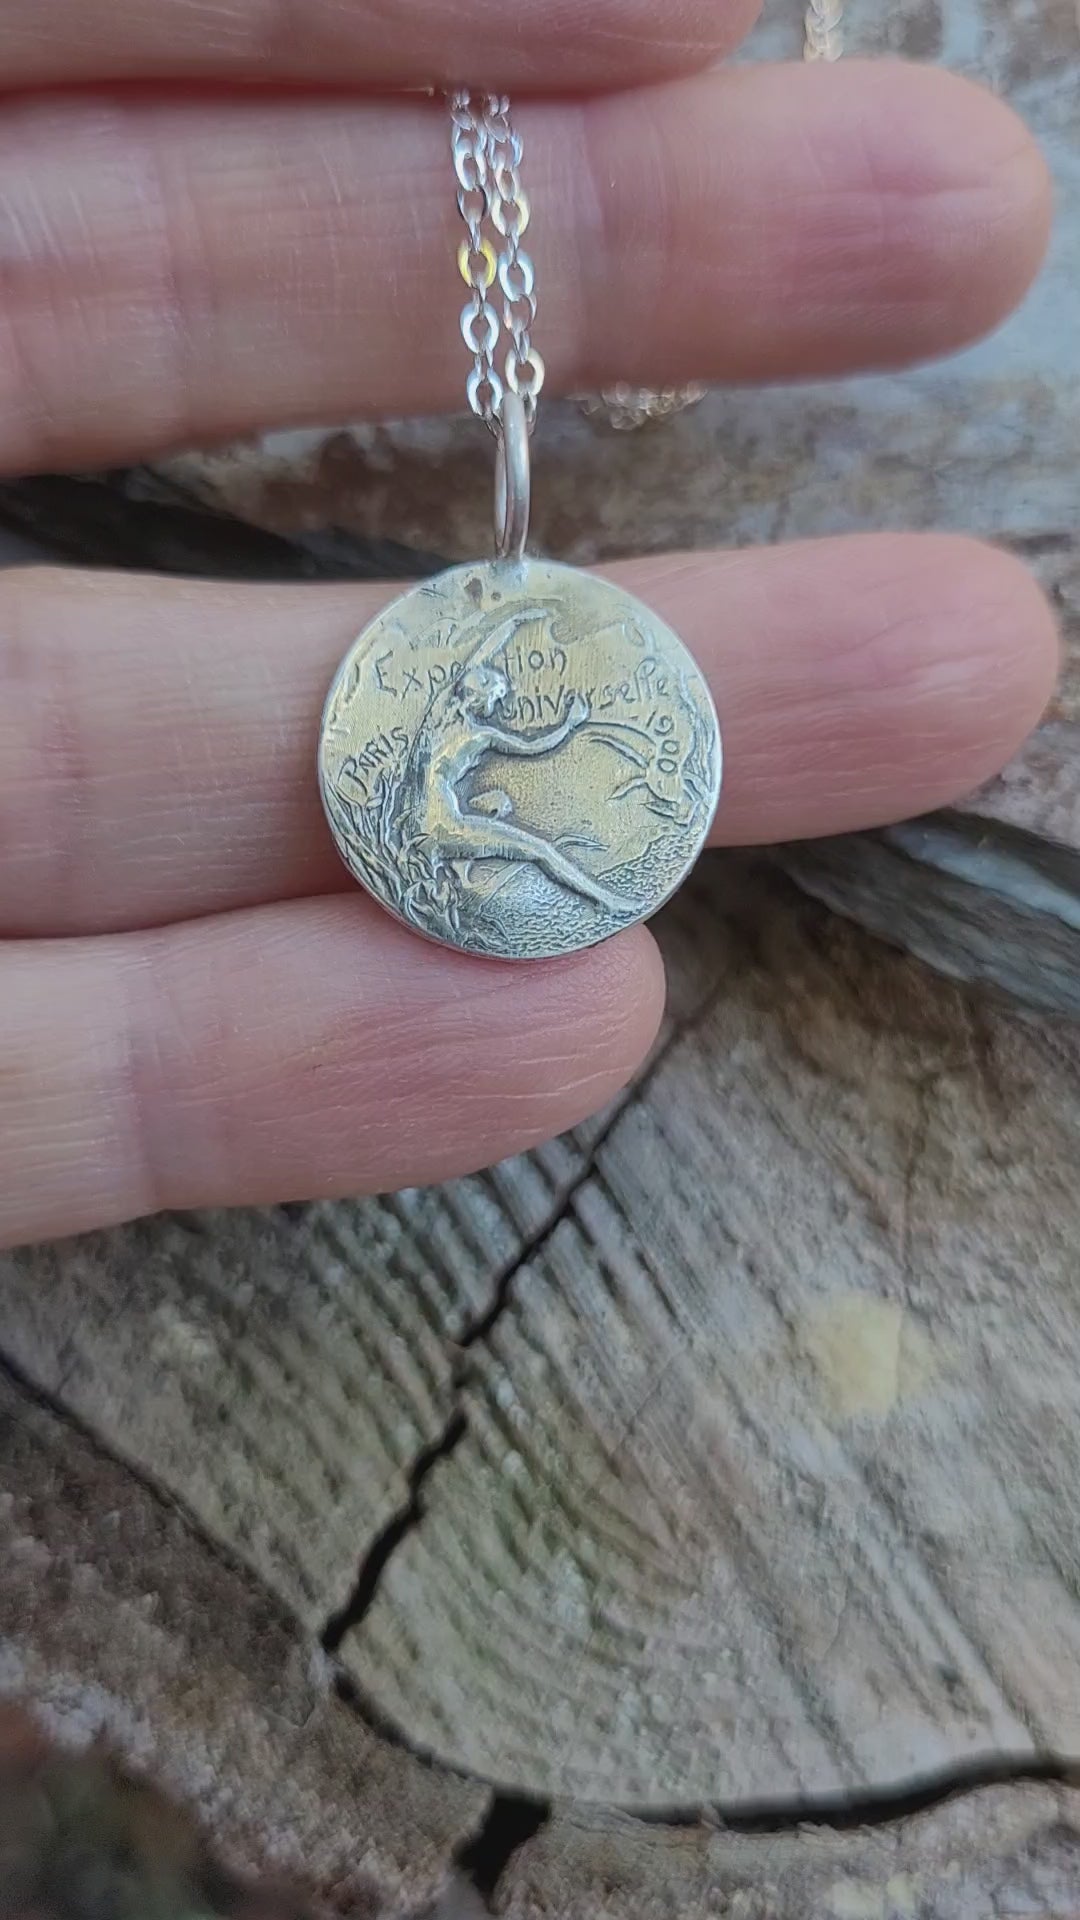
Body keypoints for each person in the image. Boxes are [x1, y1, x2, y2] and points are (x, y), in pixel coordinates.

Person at [0, 0, 1058, 1249]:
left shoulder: (471, 725)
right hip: (445, 827)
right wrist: (559, 720)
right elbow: (513, 709)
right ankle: (568, 870)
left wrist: (572, 723)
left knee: (545, 852)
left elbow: (523, 715)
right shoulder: (458, 731)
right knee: (546, 862)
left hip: (455, 803)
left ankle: (569, 863)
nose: (508, 698)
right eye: (498, 690)